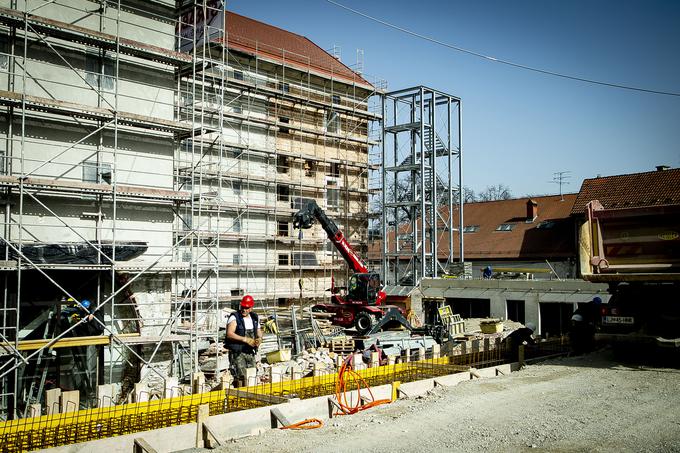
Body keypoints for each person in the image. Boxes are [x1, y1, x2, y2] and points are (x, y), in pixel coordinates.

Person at [225, 295, 263, 387]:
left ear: (251, 308)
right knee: (240, 377)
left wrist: (259, 338)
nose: (244, 310)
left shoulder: (254, 317)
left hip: (250, 352)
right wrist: (245, 339)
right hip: (238, 353)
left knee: (252, 375)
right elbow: (229, 334)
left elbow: (259, 330)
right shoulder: (234, 317)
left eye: (246, 308)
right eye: (242, 307)